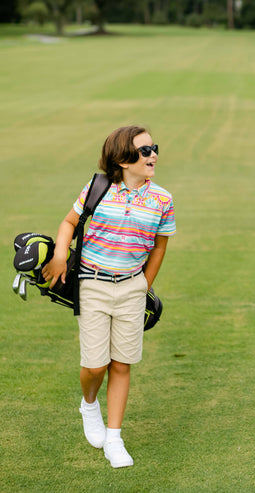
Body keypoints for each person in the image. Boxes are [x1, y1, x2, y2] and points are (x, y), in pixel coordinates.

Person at [43, 126, 176, 468]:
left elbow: (160, 245)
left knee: (121, 363)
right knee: (95, 364)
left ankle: (114, 438)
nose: (153, 155)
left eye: (154, 149)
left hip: (132, 287)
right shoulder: (98, 188)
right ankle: (89, 403)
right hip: (93, 286)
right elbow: (69, 222)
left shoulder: (162, 199)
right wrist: (60, 255)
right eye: (145, 151)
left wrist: (143, 285)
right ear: (122, 159)